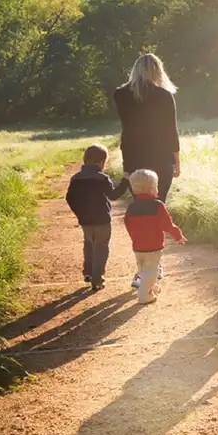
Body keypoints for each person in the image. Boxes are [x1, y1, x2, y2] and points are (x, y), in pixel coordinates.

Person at [114, 53, 181, 287]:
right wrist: (177, 161)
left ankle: (142, 269)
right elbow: (171, 131)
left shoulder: (121, 95)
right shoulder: (164, 95)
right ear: (157, 71)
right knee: (157, 210)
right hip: (161, 159)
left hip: (133, 159)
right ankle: (155, 266)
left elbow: (128, 127)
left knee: (141, 213)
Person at [65, 144, 129, 292]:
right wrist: (125, 181)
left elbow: (69, 197)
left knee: (88, 244)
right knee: (101, 246)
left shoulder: (75, 178)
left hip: (85, 220)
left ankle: (88, 272)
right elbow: (113, 195)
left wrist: (79, 212)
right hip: (102, 219)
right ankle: (97, 278)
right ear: (101, 162)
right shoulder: (102, 178)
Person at [124, 169, 187, 305]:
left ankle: (149, 287)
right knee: (151, 271)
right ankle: (144, 295)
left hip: (137, 246)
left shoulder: (131, 207)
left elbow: (128, 225)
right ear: (152, 189)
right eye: (157, 186)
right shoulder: (157, 206)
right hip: (153, 246)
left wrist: (134, 237)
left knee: (142, 267)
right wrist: (178, 236)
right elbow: (168, 225)